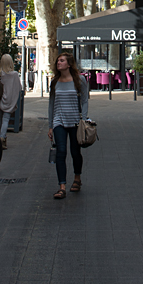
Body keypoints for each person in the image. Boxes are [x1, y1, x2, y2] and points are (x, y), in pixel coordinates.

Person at [47, 49, 89, 200]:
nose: (59, 62)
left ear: (69, 64)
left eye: (62, 60)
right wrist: (50, 125)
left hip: (75, 121)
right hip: (59, 121)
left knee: (75, 152)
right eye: (58, 61)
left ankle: (77, 178)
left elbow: (84, 101)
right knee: (61, 152)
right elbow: (51, 104)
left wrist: (83, 120)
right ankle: (62, 186)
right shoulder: (54, 82)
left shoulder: (79, 80)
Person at [0, 54, 22, 149]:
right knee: (6, 119)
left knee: (1, 119)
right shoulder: (15, 74)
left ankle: (2, 137)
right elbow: (19, 88)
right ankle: (2, 137)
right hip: (10, 101)